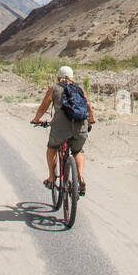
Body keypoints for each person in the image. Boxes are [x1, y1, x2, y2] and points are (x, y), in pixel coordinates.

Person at [31, 65, 95, 196]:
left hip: (60, 128)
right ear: (72, 77)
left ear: (58, 78)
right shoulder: (80, 88)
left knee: (52, 148)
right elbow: (88, 106)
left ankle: (51, 178)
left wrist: (36, 119)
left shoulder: (54, 88)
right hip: (80, 127)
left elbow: (44, 106)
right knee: (78, 151)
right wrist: (91, 120)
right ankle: (80, 177)